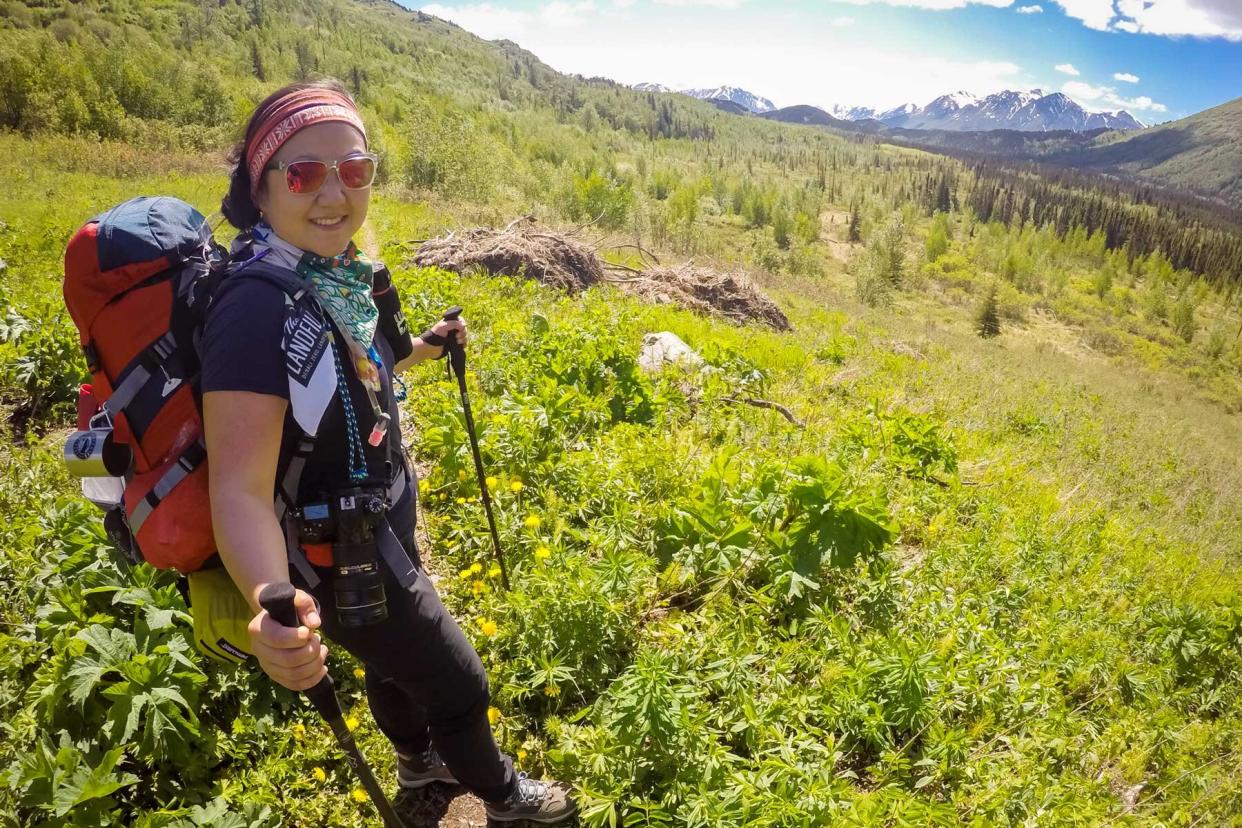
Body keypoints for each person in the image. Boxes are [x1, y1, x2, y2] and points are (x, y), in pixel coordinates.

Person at [200, 79, 577, 824]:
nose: (335, 193)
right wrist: (269, 604)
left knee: (394, 662)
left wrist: (426, 348)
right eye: (304, 173)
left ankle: (417, 765)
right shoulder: (254, 308)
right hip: (332, 551)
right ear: (262, 183)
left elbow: (352, 371)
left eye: (356, 169)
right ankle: (505, 800)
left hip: (377, 522)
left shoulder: (334, 276)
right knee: (459, 684)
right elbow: (238, 490)